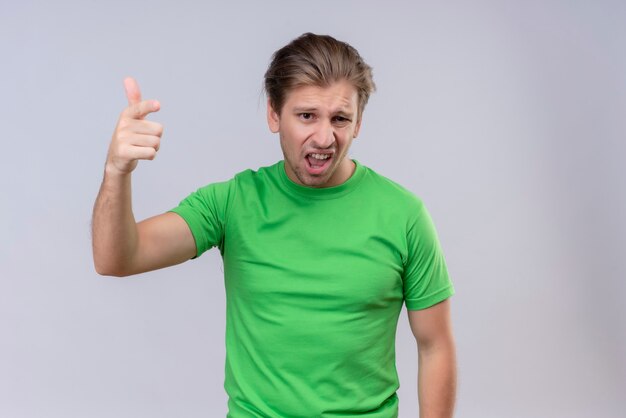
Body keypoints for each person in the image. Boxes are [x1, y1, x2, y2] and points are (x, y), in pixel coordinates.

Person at [92, 32, 456, 418]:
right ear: (273, 114)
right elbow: (116, 258)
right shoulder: (232, 202)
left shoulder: (404, 214)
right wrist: (117, 170)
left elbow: (435, 346)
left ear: (358, 122)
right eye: (306, 116)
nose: (324, 137)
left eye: (340, 119)